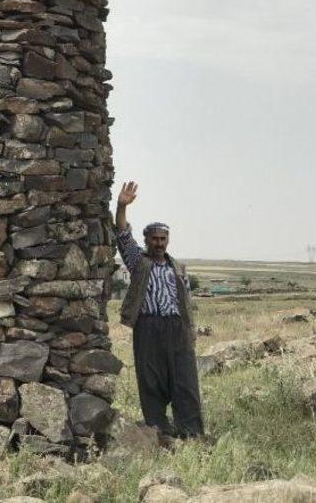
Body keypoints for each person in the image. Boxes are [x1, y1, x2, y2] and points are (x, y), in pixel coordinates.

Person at [115, 180, 204, 441]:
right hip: (149, 328)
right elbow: (122, 234)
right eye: (154, 239)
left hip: (177, 329)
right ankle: (159, 432)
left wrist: (190, 330)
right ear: (146, 240)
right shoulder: (138, 262)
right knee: (151, 381)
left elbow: (185, 303)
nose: (159, 243)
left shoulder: (178, 267)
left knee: (185, 381)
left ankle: (192, 434)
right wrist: (121, 206)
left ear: (168, 240)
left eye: (163, 239)